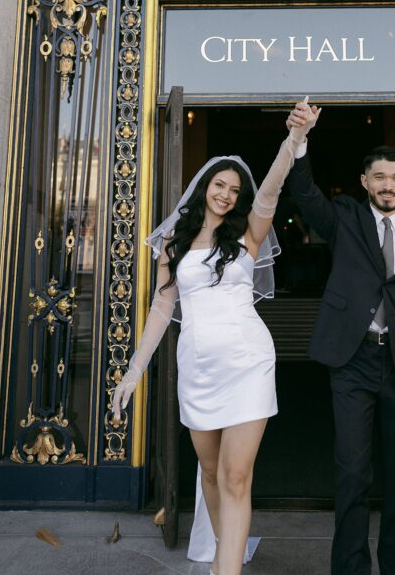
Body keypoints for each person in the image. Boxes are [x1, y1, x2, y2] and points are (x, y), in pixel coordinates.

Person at [112, 120, 305, 575]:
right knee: (214, 475)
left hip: (248, 362)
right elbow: (161, 311)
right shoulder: (174, 244)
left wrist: (293, 141)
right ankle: (225, 554)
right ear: (204, 187)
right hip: (197, 369)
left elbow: (272, 189)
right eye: (219, 184)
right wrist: (134, 370)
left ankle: (228, 570)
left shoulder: (248, 236)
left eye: (235, 189)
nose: (226, 194)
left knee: (237, 477)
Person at [286, 99, 395, 575]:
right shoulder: (345, 219)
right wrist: (300, 141)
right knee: (352, 472)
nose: (387, 185)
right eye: (379, 177)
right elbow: (305, 193)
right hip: (353, 362)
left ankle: (394, 567)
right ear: (365, 183)